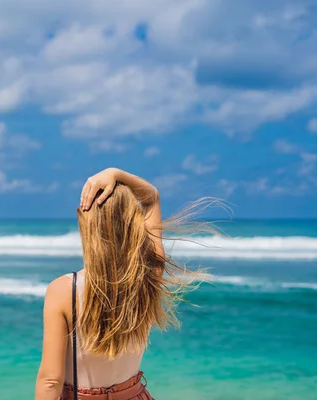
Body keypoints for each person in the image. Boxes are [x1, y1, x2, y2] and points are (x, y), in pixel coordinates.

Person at [35, 168, 204, 400]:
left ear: (88, 227)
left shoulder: (64, 290)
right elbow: (151, 197)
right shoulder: (149, 274)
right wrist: (117, 174)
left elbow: (50, 381)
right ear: (132, 224)